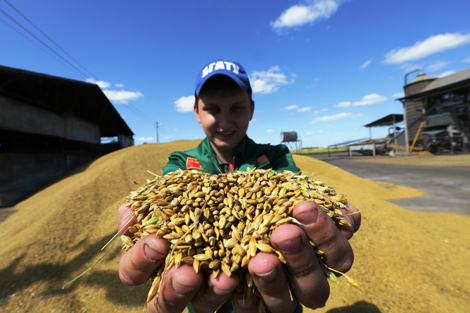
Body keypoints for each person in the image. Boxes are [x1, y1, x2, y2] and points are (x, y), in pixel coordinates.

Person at [118, 59, 361, 313]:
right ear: (196, 112)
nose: (225, 122)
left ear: (251, 109)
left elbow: (294, 199)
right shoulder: (180, 162)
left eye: (236, 108)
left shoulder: (276, 156)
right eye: (213, 109)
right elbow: (166, 206)